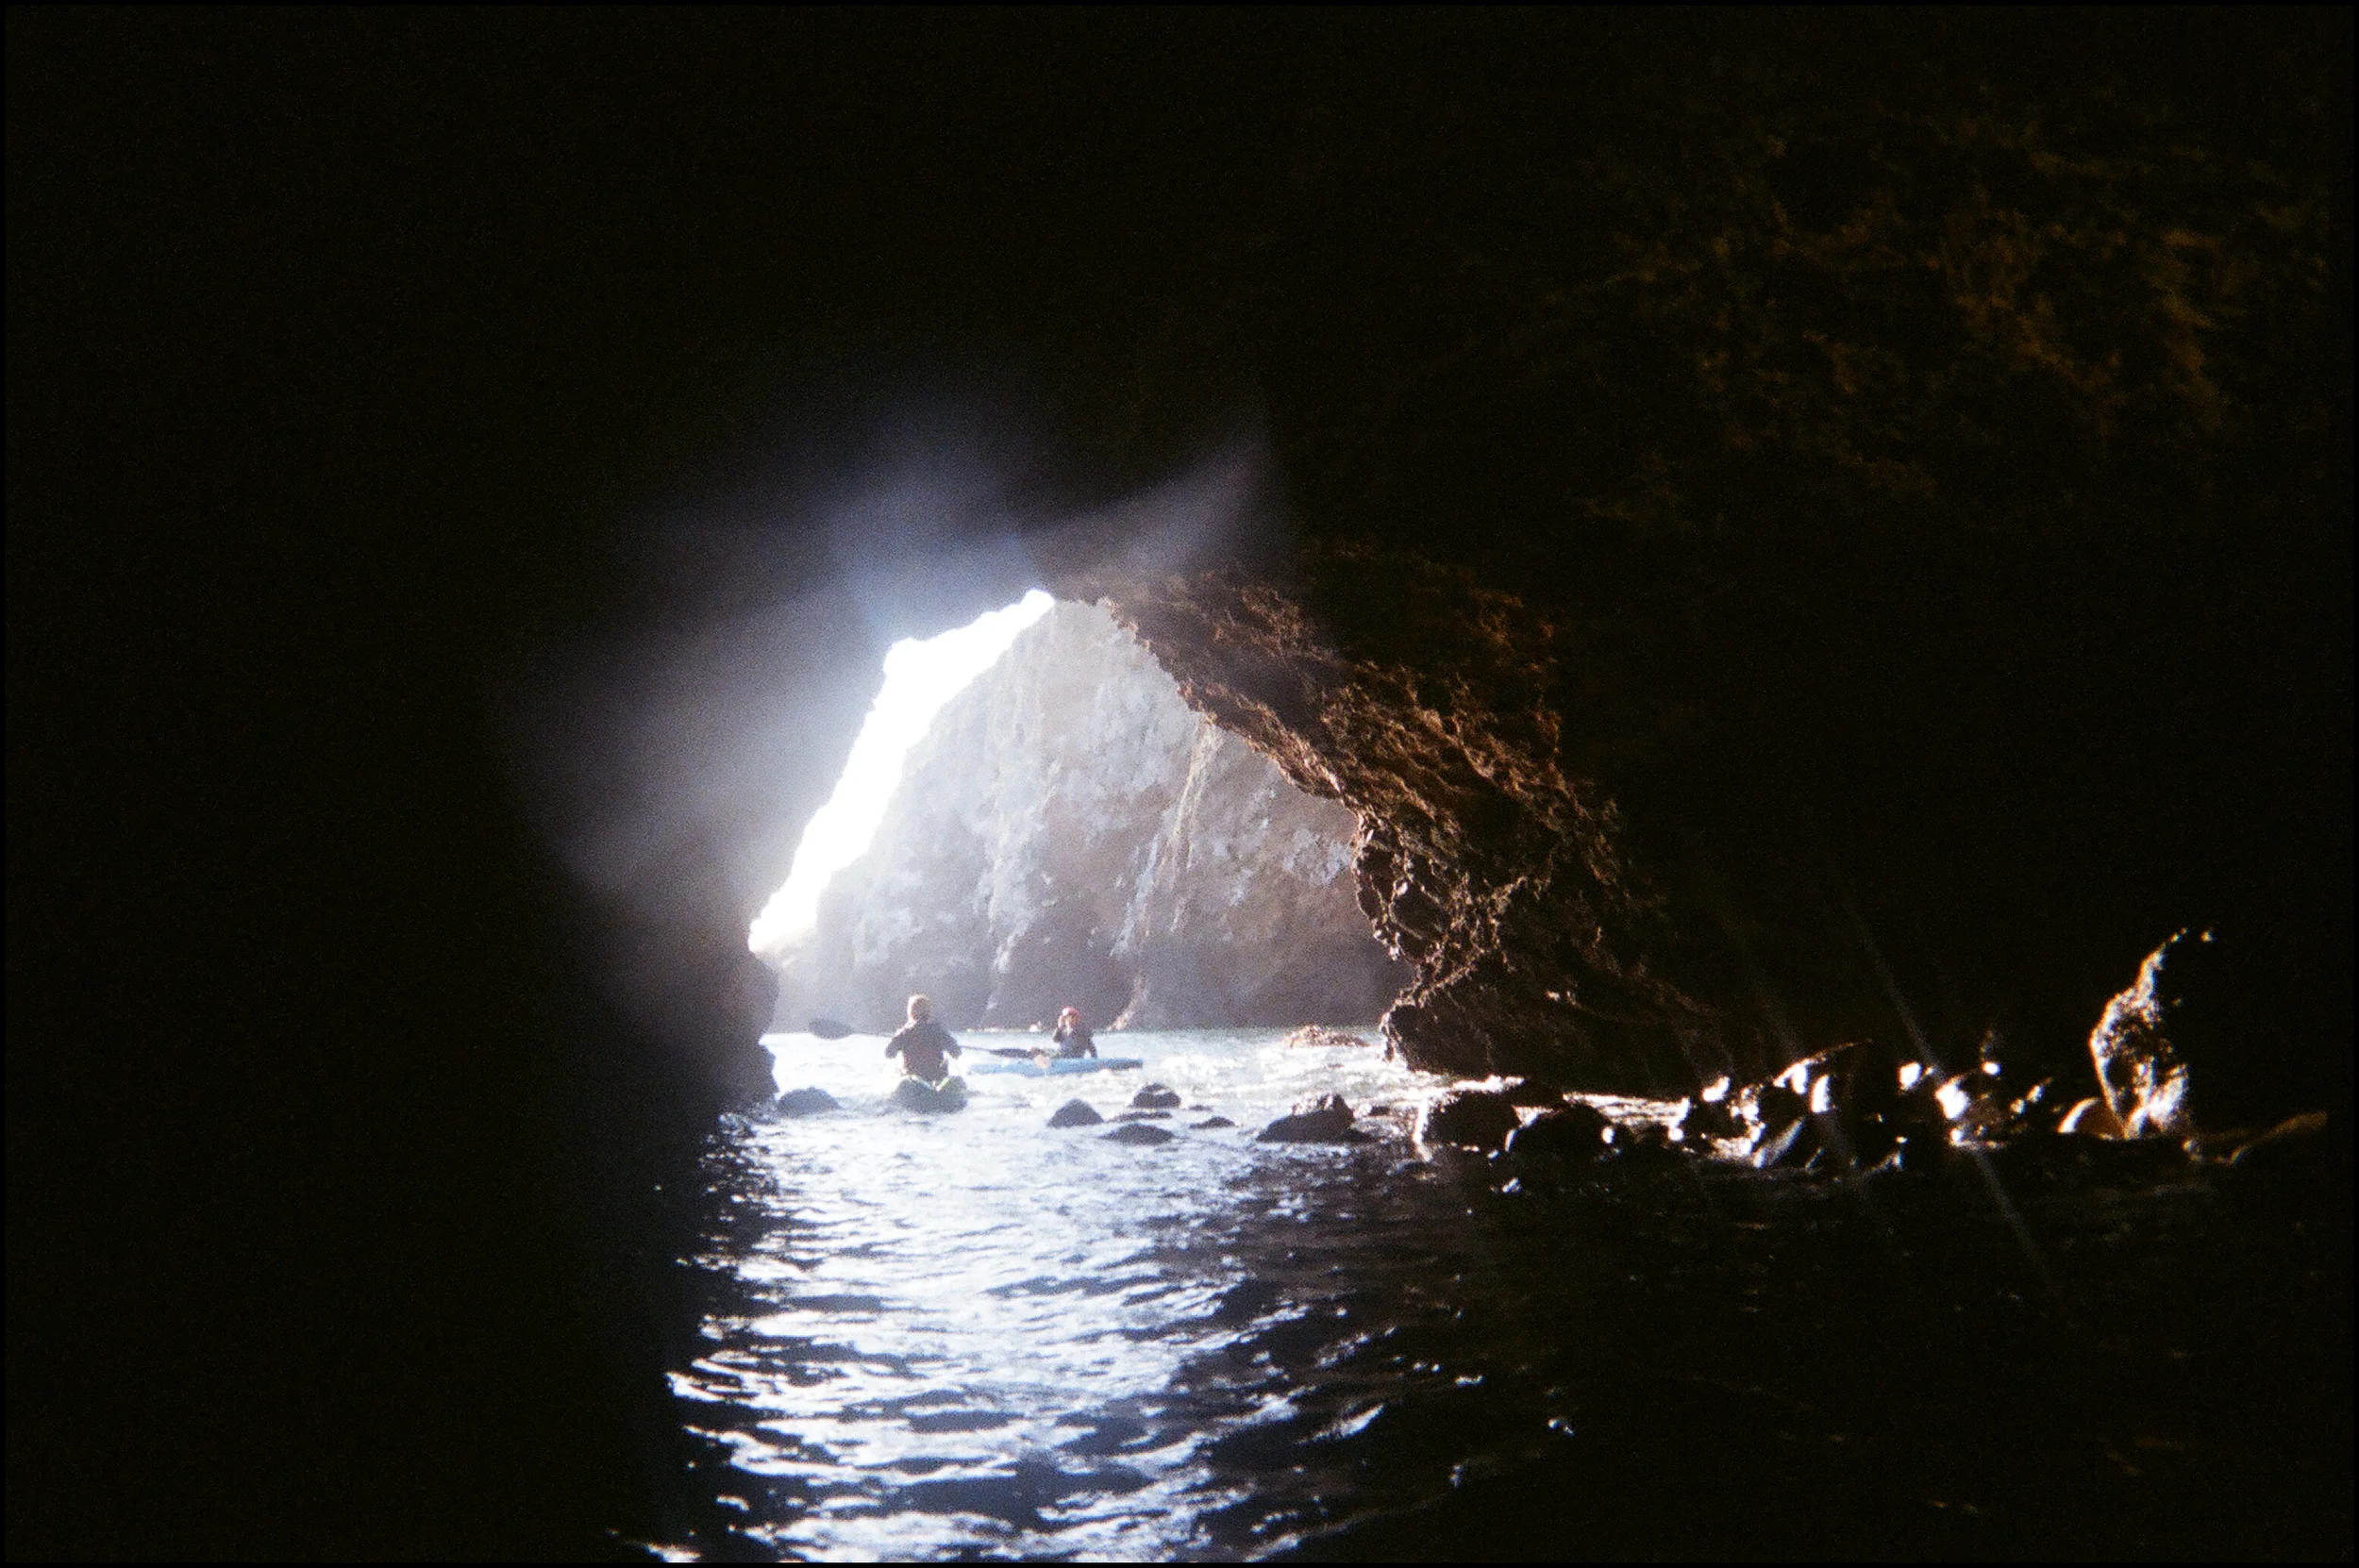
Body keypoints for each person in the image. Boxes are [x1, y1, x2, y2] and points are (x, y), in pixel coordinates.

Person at [885, 993, 962, 1083]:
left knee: (899, 1071)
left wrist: (897, 1040)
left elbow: (889, 1054)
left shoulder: (904, 1033)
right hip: (936, 1077)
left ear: (911, 1012)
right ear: (929, 1012)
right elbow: (956, 1053)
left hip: (912, 1076)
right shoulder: (938, 1031)